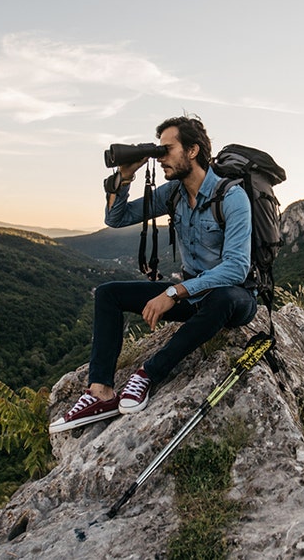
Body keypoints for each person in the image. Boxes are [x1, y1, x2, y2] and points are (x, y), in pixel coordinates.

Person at [50, 116, 258, 433]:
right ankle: (101, 393)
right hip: (194, 296)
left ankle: (149, 373)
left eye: (167, 149)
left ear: (193, 151)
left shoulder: (231, 197)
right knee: (108, 294)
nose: (160, 157)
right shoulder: (172, 193)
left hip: (235, 297)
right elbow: (117, 218)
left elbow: (236, 268)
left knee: (222, 296)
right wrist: (125, 176)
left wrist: (173, 293)